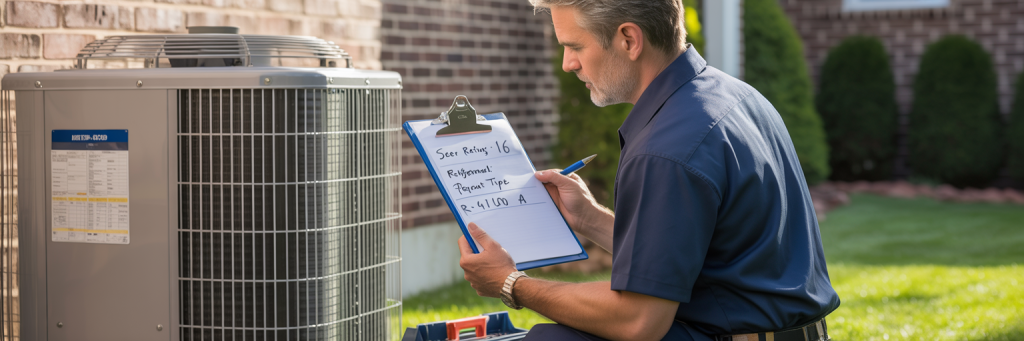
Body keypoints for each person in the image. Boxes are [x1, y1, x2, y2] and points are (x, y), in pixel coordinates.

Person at [456, 1, 841, 340]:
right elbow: (682, 254)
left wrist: (511, 283)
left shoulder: (666, 148)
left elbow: (637, 321)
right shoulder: (735, 96)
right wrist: (589, 219)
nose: (567, 63)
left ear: (628, 39)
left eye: (575, 46)